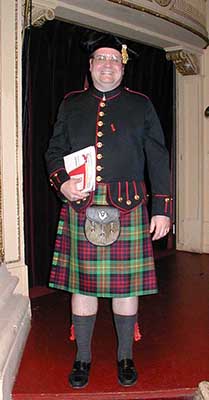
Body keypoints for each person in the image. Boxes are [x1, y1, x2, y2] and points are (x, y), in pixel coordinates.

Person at [45, 33, 171, 389]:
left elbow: (158, 157)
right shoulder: (71, 104)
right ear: (90, 65)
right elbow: (54, 151)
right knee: (82, 287)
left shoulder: (141, 104)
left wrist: (162, 209)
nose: (107, 65)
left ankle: (125, 356)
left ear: (122, 66)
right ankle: (83, 357)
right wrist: (63, 183)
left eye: (114, 60)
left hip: (128, 204)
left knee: (125, 287)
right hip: (81, 204)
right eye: (100, 59)